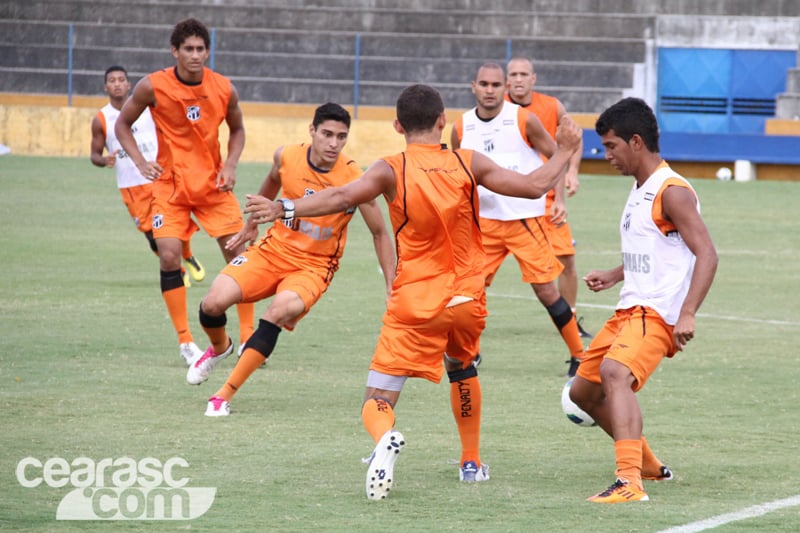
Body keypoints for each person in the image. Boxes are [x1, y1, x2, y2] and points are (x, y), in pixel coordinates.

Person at [243, 84, 582, 500]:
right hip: (465, 298)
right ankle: (471, 463)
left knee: (377, 399)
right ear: (443, 121)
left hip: (414, 300)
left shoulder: (390, 168)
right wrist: (564, 152)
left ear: (397, 125)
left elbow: (343, 195)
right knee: (462, 368)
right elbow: (532, 187)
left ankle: (384, 440)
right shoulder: (468, 161)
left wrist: (284, 208)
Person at [186, 102, 396, 416]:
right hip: (272, 252)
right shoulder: (287, 156)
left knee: (277, 312)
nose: (333, 143)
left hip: (314, 268)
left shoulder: (354, 177)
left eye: (341, 137)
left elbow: (380, 233)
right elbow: (272, 180)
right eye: (326, 134)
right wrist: (251, 223)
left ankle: (223, 395)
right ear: (312, 131)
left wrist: (392, 287)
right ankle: (219, 348)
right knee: (212, 304)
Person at [569, 97, 718, 503]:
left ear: (636, 142)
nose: (607, 155)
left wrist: (687, 313)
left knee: (616, 374)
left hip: (657, 311)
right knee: (582, 392)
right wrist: (616, 273)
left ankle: (629, 482)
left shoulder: (672, 192)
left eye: (611, 146)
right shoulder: (641, 188)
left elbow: (707, 252)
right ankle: (649, 466)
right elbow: (656, 249)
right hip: (628, 307)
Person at [114, 19, 254, 367]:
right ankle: (186, 341)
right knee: (168, 256)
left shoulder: (223, 88)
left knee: (241, 254)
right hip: (171, 186)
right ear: (174, 51)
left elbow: (237, 129)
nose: (195, 55)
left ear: (208, 51)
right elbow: (122, 124)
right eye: (188, 49)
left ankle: (249, 337)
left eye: (200, 49)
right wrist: (140, 161)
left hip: (213, 185)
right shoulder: (153, 86)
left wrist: (232, 165)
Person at [451, 63, 586, 377]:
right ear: (473, 86)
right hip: (483, 224)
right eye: (483, 84)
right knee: (468, 290)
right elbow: (456, 173)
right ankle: (469, 353)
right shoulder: (461, 127)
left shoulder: (523, 120)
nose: (489, 90)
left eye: (495, 85)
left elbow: (557, 157)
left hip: (525, 221)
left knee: (547, 292)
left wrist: (560, 200)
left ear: (504, 88)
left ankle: (580, 355)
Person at [90, 65, 206, 295]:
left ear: (128, 84)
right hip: (131, 185)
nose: (117, 84)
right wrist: (104, 161)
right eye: (112, 80)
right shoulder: (101, 119)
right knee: (151, 234)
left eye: (121, 79)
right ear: (105, 87)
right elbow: (94, 154)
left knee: (173, 224)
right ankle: (179, 267)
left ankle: (187, 258)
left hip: (158, 177)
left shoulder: (147, 109)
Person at [505, 56, 593, 341]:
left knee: (566, 260)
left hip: (546, 198)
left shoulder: (552, 106)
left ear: (534, 78)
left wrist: (572, 174)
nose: (518, 79)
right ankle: (464, 328)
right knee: (475, 269)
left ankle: (570, 320)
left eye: (523, 74)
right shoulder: (495, 109)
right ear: (507, 80)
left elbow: (572, 140)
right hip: (504, 201)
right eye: (513, 74)